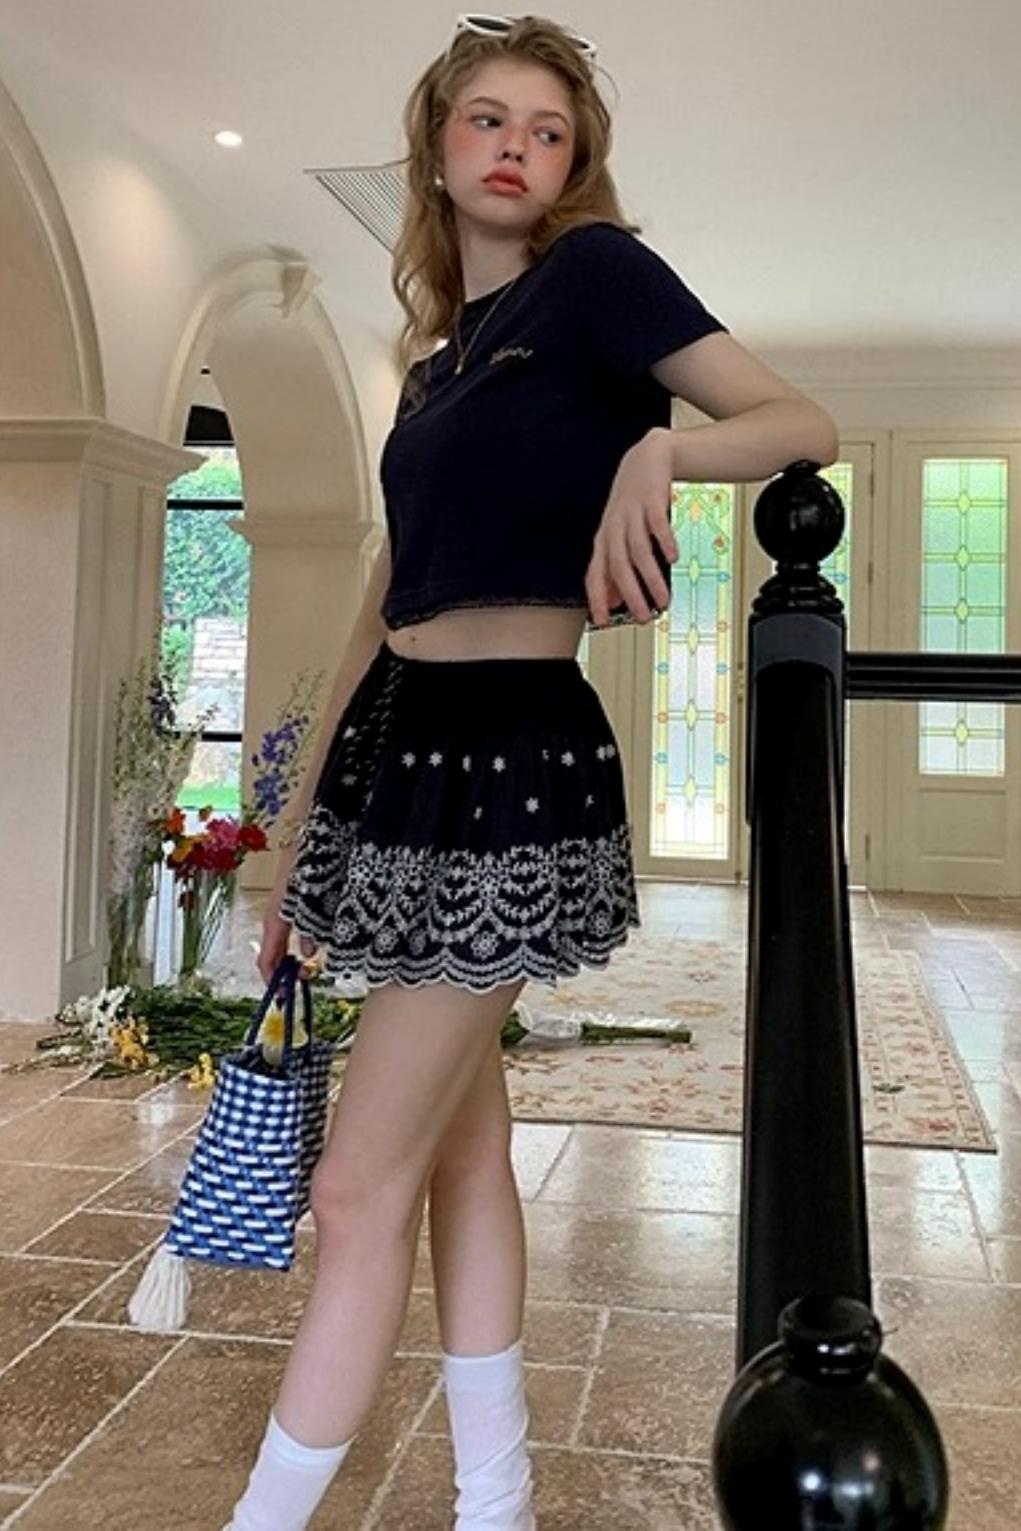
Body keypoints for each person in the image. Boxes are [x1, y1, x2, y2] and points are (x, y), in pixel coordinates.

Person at [224, 13, 838, 1531]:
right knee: (456, 1154)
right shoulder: (429, 369)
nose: (515, 146)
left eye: (548, 130)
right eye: (487, 118)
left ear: (574, 166)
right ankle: (496, 1501)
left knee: (354, 1188)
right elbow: (382, 596)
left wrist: (659, 454)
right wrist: (289, 833)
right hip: (392, 756)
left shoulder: (597, 281)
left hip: (507, 748)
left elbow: (797, 419)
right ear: (436, 147)